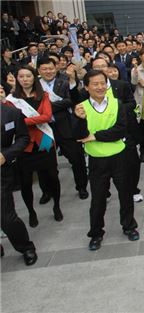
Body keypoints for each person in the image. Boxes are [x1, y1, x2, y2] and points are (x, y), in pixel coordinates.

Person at [73, 70, 139, 250]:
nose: (100, 87)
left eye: (103, 83)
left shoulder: (117, 103)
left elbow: (120, 129)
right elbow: (79, 136)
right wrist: (80, 121)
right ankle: (96, 233)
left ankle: (129, 226)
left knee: (126, 194)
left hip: (119, 156)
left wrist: (95, 136)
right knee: (98, 199)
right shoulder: (81, 107)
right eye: (95, 84)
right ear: (86, 87)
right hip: (97, 160)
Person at [5, 66, 63, 227]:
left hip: (44, 141)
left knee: (52, 176)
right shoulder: (11, 100)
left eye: (28, 76)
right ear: (17, 79)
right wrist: (30, 121)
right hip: (24, 145)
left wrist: (23, 121)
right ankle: (31, 211)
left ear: (34, 78)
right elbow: (13, 122)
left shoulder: (42, 95)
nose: (25, 79)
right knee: (25, 182)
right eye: (21, 76)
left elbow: (47, 116)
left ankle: (57, 206)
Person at [37, 58, 88, 199]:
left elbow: (71, 101)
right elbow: (34, 106)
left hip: (65, 128)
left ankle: (82, 186)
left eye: (51, 68)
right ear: (39, 71)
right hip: (44, 130)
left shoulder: (65, 82)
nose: (48, 71)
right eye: (44, 69)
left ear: (56, 68)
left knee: (77, 159)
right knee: (43, 162)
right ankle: (47, 191)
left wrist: (46, 108)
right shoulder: (35, 86)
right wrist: (60, 104)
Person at [1, 85, 38, 266]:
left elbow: (23, 138)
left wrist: (6, 155)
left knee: (6, 216)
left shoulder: (11, 113)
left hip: (2, 171)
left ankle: (25, 246)